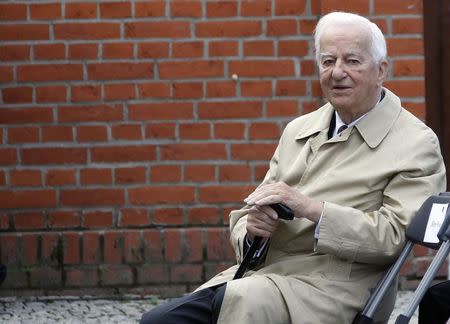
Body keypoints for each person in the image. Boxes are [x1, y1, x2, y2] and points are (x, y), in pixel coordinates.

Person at [140, 12, 446, 324]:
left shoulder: (414, 143)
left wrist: (311, 208)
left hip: (334, 290)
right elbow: (252, 210)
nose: (337, 72)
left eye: (352, 61)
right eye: (327, 61)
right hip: (263, 276)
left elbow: (394, 238)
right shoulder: (299, 129)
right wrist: (252, 231)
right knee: (158, 320)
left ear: (381, 70)